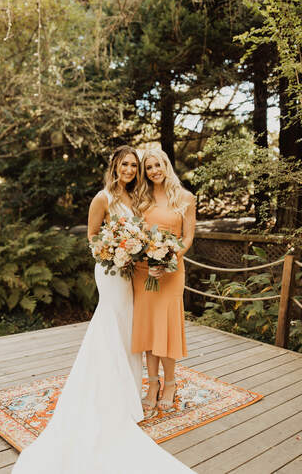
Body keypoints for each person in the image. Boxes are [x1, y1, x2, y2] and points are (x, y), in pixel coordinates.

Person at [12, 145, 193, 473]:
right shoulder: (103, 198)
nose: (130, 170)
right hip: (112, 271)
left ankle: (132, 387)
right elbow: (93, 238)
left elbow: (148, 234)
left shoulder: (137, 199)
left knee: (129, 326)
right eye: (125, 164)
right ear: (114, 166)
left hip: (134, 272)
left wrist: (141, 254)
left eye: (133, 166)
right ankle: (111, 386)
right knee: (111, 321)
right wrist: (114, 253)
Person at [132, 149, 196, 412]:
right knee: (148, 329)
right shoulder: (141, 198)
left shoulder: (185, 198)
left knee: (166, 329)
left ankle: (170, 383)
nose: (154, 170)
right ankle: (153, 384)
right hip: (143, 271)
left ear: (166, 165)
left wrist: (168, 261)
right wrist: (146, 260)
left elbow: (188, 236)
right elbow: (135, 232)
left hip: (171, 271)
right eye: (149, 167)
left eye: (158, 165)